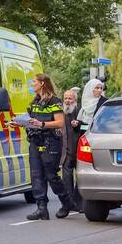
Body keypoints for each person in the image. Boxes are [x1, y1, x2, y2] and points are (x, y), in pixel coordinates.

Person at [21, 74, 74, 220]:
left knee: (51, 175)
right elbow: (31, 120)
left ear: (42, 83)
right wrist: (20, 123)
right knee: (36, 175)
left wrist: (42, 124)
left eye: (34, 82)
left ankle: (66, 202)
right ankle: (41, 208)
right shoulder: (35, 101)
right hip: (35, 141)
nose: (32, 84)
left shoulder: (54, 101)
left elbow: (60, 123)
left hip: (50, 142)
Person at [61, 88, 83, 213]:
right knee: (66, 177)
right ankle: (69, 202)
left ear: (75, 99)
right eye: (66, 98)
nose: (68, 101)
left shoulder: (80, 111)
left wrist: (79, 124)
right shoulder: (61, 112)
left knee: (80, 177)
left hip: (78, 149)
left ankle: (79, 202)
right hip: (66, 150)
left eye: (70, 98)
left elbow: (87, 126)